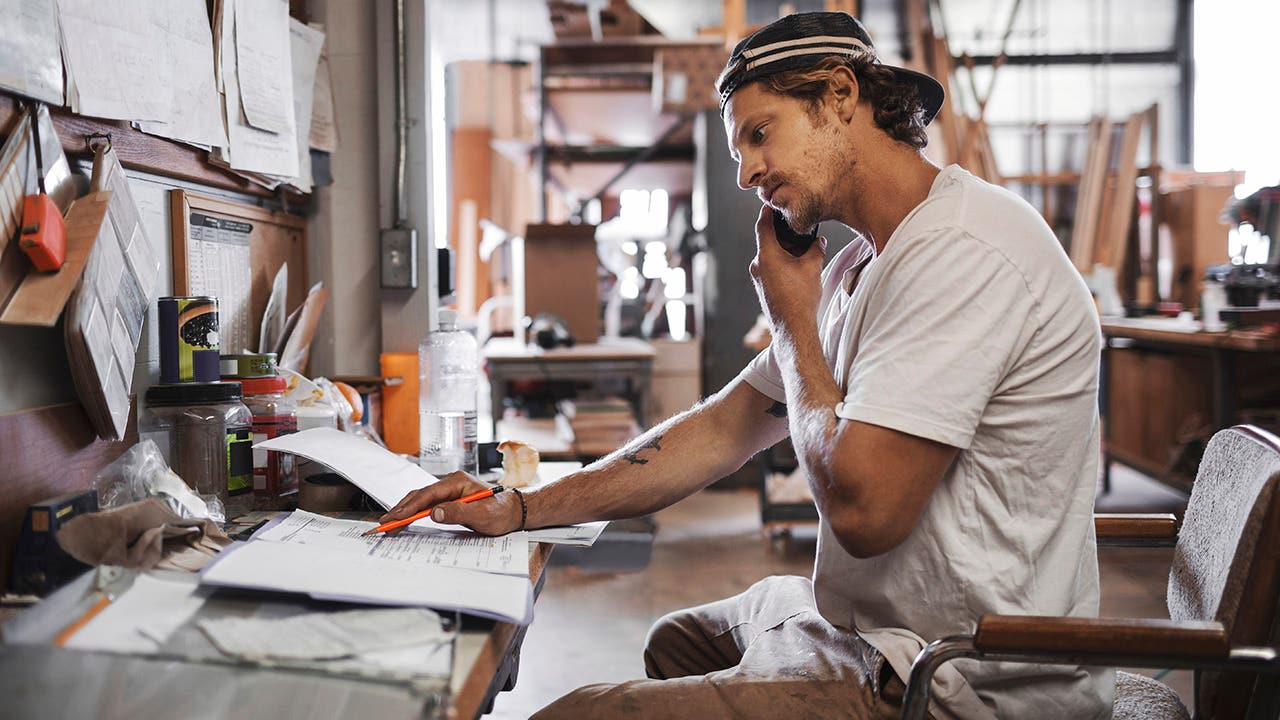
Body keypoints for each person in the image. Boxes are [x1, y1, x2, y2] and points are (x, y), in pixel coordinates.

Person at [382, 11, 1111, 719]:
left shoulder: (963, 250)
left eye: (761, 135)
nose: (747, 174)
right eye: (738, 152)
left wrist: (792, 321)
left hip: (954, 676)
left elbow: (865, 514)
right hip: (883, 629)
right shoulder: (860, 263)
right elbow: (723, 429)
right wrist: (524, 507)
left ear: (841, 95)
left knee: (576, 714)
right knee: (676, 642)